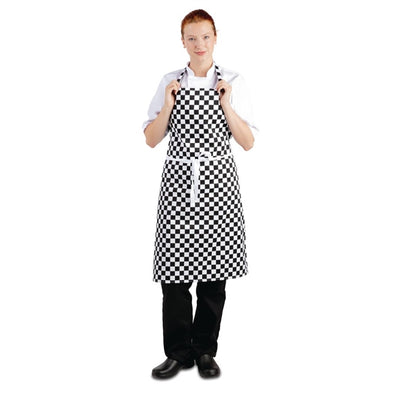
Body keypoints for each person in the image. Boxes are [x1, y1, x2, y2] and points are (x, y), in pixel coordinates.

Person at [142, 9, 257, 379]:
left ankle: (205, 351)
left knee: (214, 275)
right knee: (174, 276)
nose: (199, 44)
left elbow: (247, 142)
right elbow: (151, 139)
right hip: (178, 187)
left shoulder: (233, 81)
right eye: (191, 38)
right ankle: (178, 353)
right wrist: (169, 105)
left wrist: (226, 104)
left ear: (215, 37)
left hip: (218, 188)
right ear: (183, 41)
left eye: (205, 37)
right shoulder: (169, 81)